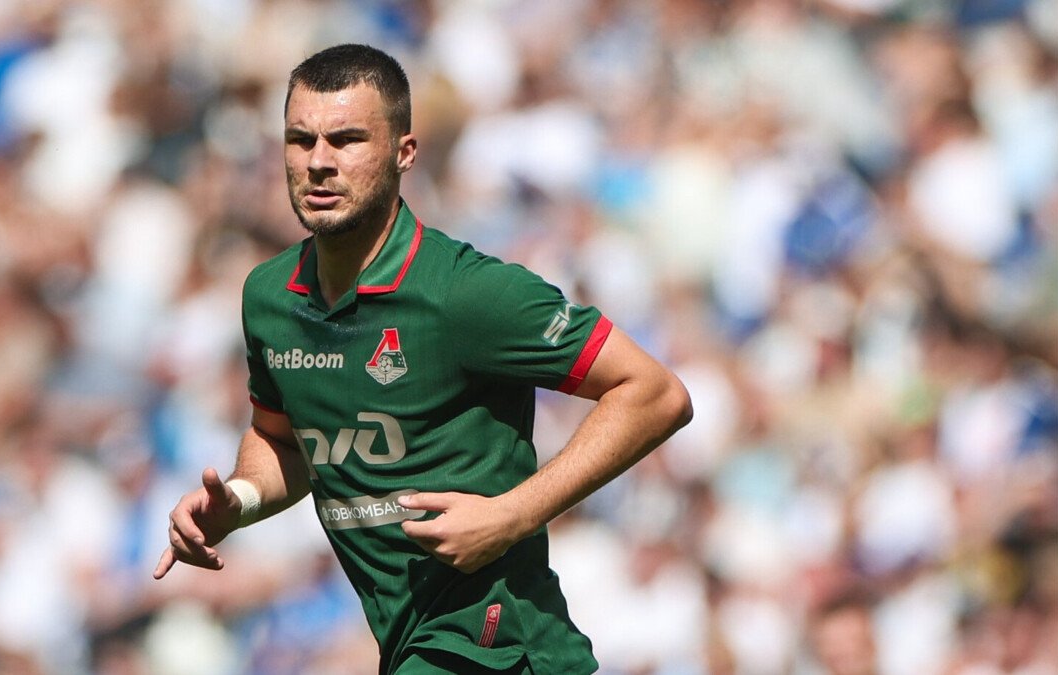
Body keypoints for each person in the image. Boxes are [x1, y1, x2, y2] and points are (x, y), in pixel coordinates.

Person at [153, 43, 693, 674]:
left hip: (497, 647)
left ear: (404, 152)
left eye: (347, 139)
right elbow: (285, 441)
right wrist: (240, 499)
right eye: (301, 140)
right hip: (409, 643)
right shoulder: (270, 298)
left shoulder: (465, 291)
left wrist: (511, 514)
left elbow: (654, 392)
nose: (319, 162)